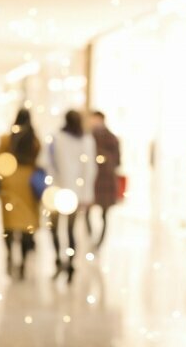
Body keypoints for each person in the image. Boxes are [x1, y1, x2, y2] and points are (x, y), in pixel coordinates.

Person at [49, 110, 97, 281]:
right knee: (70, 229)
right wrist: (86, 195)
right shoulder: (86, 140)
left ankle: (59, 260)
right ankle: (70, 263)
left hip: (57, 190)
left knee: (54, 228)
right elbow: (89, 169)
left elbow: (49, 164)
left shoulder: (57, 138)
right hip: (75, 193)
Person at [0, 109, 41, 280]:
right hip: (28, 184)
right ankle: (22, 263)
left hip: (9, 184)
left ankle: (9, 254)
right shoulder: (34, 141)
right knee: (26, 226)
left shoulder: (6, 140)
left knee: (8, 224)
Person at [86, 111, 120, 250]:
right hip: (92, 179)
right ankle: (91, 238)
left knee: (104, 213)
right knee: (87, 210)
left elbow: (117, 160)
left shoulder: (111, 138)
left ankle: (99, 242)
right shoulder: (88, 137)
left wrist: (103, 159)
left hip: (106, 180)